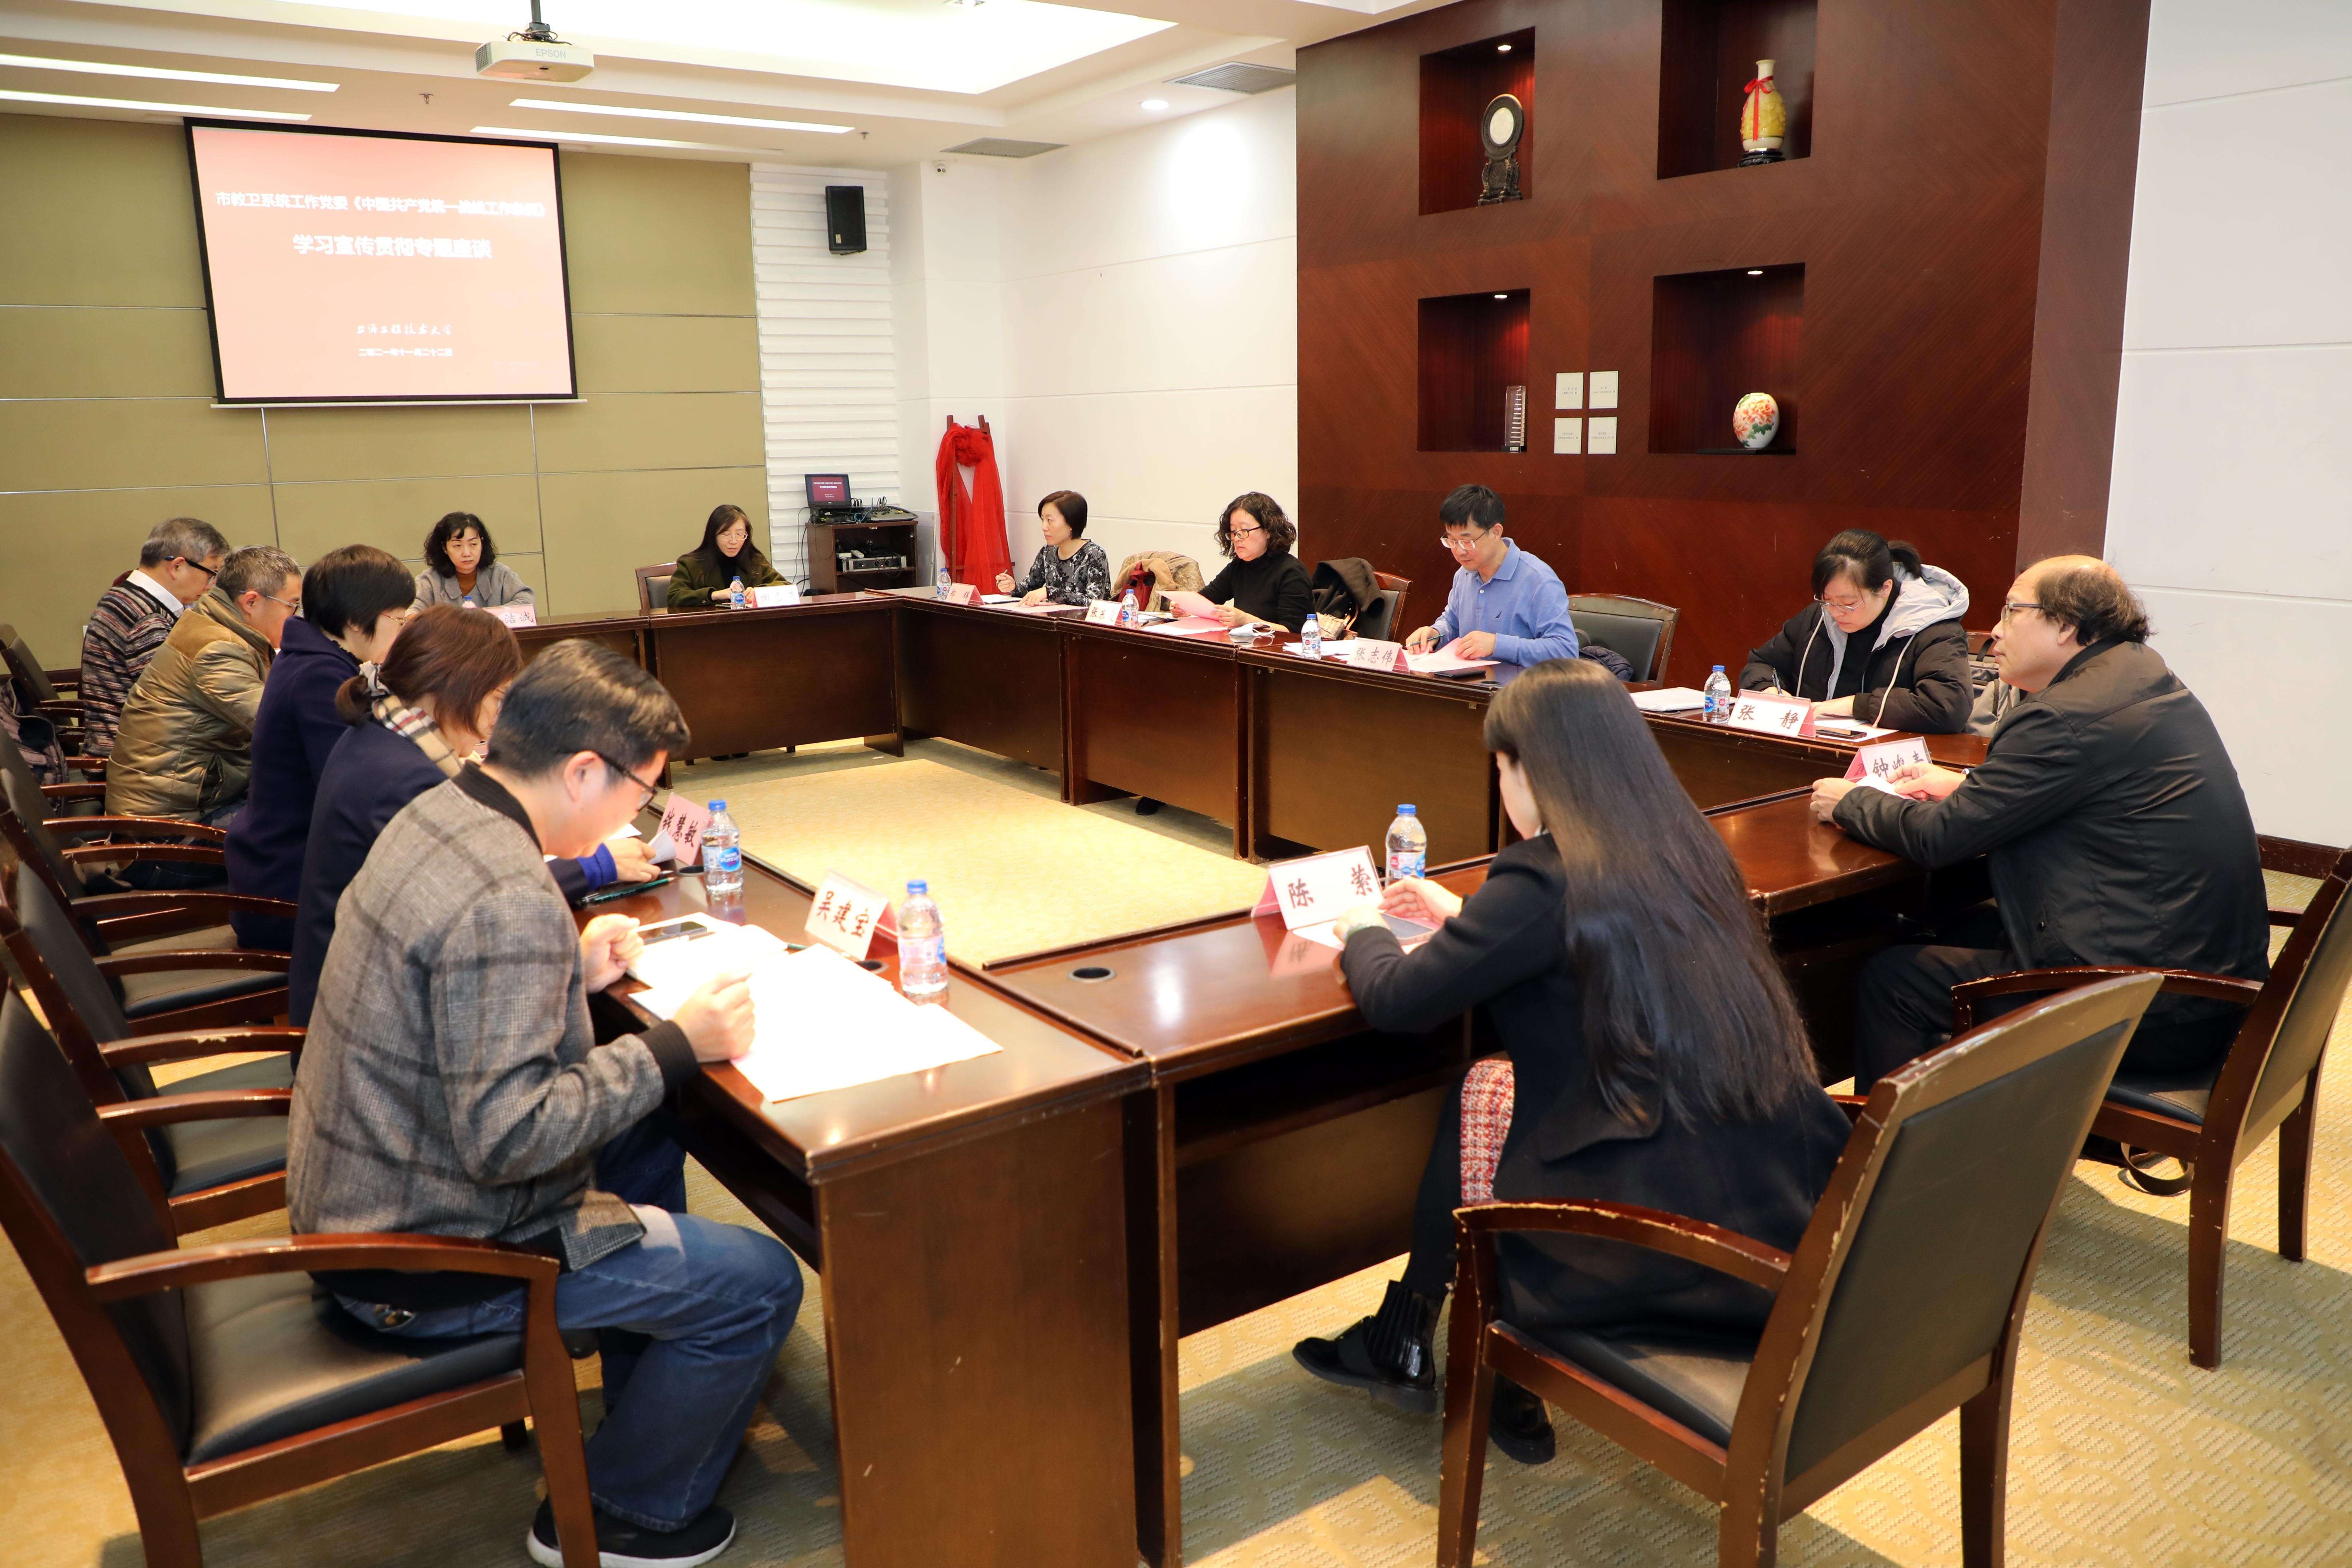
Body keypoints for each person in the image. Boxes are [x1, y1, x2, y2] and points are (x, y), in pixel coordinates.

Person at [288, 641, 800, 1567]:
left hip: (364, 1188)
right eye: (640, 791)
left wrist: (570, 972)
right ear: (581, 771)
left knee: (648, 1140)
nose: (638, 813)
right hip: (425, 1255)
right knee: (759, 1281)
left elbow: (456, 1001)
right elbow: (510, 1136)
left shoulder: (441, 809)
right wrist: (677, 1045)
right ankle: (619, 1509)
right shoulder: (510, 895)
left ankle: (643, 1393)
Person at [1293, 659, 1851, 1465]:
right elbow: (1595, 938)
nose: (1502, 786)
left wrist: (1362, 929)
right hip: (1763, 1202)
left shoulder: (1543, 873)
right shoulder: (1686, 843)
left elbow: (1399, 1000)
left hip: (1645, 1242)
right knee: (1485, 1088)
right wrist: (1473, 914)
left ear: (1535, 768)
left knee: (1485, 1089)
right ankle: (1416, 1334)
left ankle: (1443, 1338)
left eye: (1502, 766)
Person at [1812, 558, 2270, 1088]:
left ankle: (1898, 1143)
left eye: (2012, 611)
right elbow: (2092, 792)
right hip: (2207, 983)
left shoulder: (2062, 715)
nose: (1995, 631)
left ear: (2066, 625)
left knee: (1895, 979)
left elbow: (1939, 838)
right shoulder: (2137, 675)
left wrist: (1851, 802)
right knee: (1948, 927)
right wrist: (1969, 788)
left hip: (2146, 1009)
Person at [287, 609, 659, 1023]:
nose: (494, 722)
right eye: (497, 698)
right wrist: (595, 864)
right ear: (455, 687)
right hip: (365, 1018)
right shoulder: (409, 781)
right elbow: (482, 902)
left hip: (354, 993)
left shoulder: (379, 734)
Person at [224, 545, 414, 950]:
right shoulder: (319, 675)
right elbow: (356, 792)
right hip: (290, 890)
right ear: (357, 619)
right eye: (398, 619)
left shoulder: (312, 658)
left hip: (278, 867)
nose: (401, 632)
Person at [105, 543, 302, 847]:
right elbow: (279, 725)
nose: (295, 617)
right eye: (292, 605)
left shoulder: (213, 625)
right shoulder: (217, 649)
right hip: (169, 830)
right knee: (311, 820)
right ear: (251, 601)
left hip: (180, 803)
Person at [1742, 530, 1972, 733]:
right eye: (1827, 600)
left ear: (1885, 588)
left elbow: (1948, 708)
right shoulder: (1818, 618)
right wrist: (1769, 690)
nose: (1835, 612)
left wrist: (1855, 705)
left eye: (1848, 603)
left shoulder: (1934, 630)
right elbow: (1761, 665)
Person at [77, 516, 229, 757]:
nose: (211, 585)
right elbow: (177, 705)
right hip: (136, 762)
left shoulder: (127, 595)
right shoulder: (147, 619)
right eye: (212, 573)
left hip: (136, 747)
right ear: (177, 566)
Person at [1402, 486, 1579, 669]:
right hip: (1472, 682)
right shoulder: (1464, 574)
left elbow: (1566, 651)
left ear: (1496, 532)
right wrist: (1435, 633)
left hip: (1522, 686)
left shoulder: (1539, 581)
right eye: (1452, 541)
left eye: (1467, 541)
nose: (1459, 551)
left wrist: (1498, 645)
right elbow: (1452, 622)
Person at [1199, 492, 1314, 632]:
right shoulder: (1238, 566)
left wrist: (1246, 621)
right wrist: (1183, 608)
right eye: (1234, 532)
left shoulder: (1291, 572)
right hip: (1246, 643)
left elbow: (1295, 632)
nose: (1237, 538)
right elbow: (1206, 600)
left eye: (1244, 530)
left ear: (1268, 531)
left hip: (1280, 646)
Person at [994, 490, 1111, 606]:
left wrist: (1050, 592)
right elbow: (1029, 588)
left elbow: (1094, 602)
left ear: (1071, 523)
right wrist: (1013, 587)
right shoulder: (1048, 552)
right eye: (1043, 520)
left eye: (1050, 520)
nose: (1044, 527)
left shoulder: (1094, 554)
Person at [667, 504, 785, 610]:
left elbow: (785, 586)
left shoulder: (755, 561)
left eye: (740, 534)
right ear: (713, 536)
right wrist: (714, 595)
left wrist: (758, 592)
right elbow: (675, 597)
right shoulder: (691, 564)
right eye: (726, 535)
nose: (734, 541)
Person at [413, 510, 536, 611]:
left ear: (482, 543)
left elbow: (527, 604)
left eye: (473, 544)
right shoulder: (430, 580)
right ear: (445, 548)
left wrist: (490, 614)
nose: (467, 553)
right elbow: (411, 612)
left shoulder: (500, 574)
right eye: (457, 546)